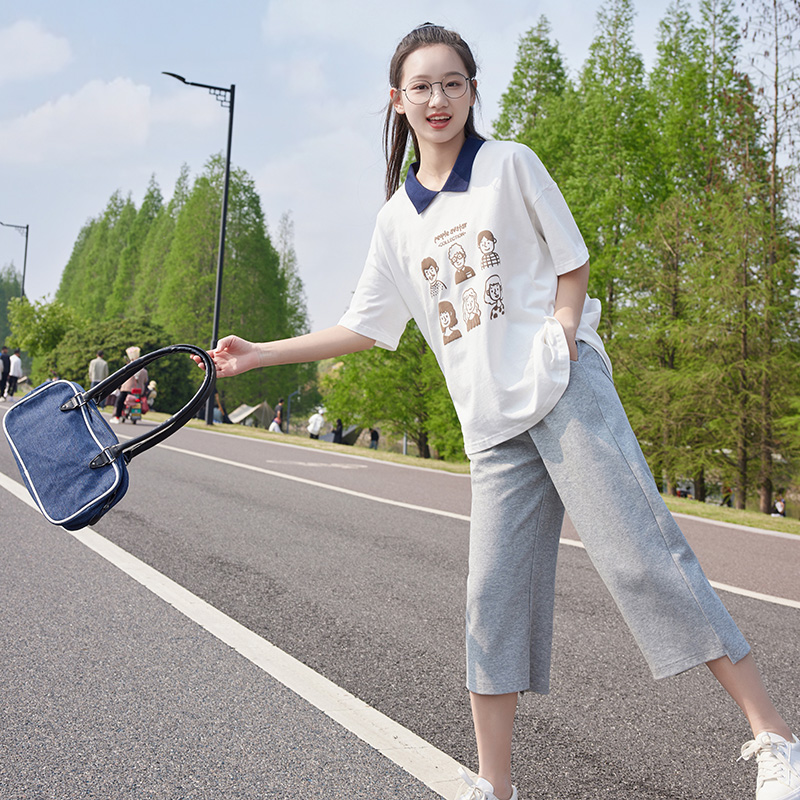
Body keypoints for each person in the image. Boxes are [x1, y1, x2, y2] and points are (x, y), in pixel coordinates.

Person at [194, 23, 798, 800]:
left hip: (564, 392)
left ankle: (773, 736)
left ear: (473, 90)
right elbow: (366, 327)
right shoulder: (395, 221)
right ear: (397, 101)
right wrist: (259, 353)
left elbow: (572, 259)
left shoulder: (509, 166)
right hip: (493, 429)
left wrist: (566, 334)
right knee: (491, 599)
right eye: (422, 87)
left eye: (452, 83)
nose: (438, 99)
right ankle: (495, 786)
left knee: (641, 559)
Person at [110, 346, 147, 424]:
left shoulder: (128, 368)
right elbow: (145, 380)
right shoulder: (144, 370)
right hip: (139, 390)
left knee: (120, 401)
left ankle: (117, 416)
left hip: (127, 389)